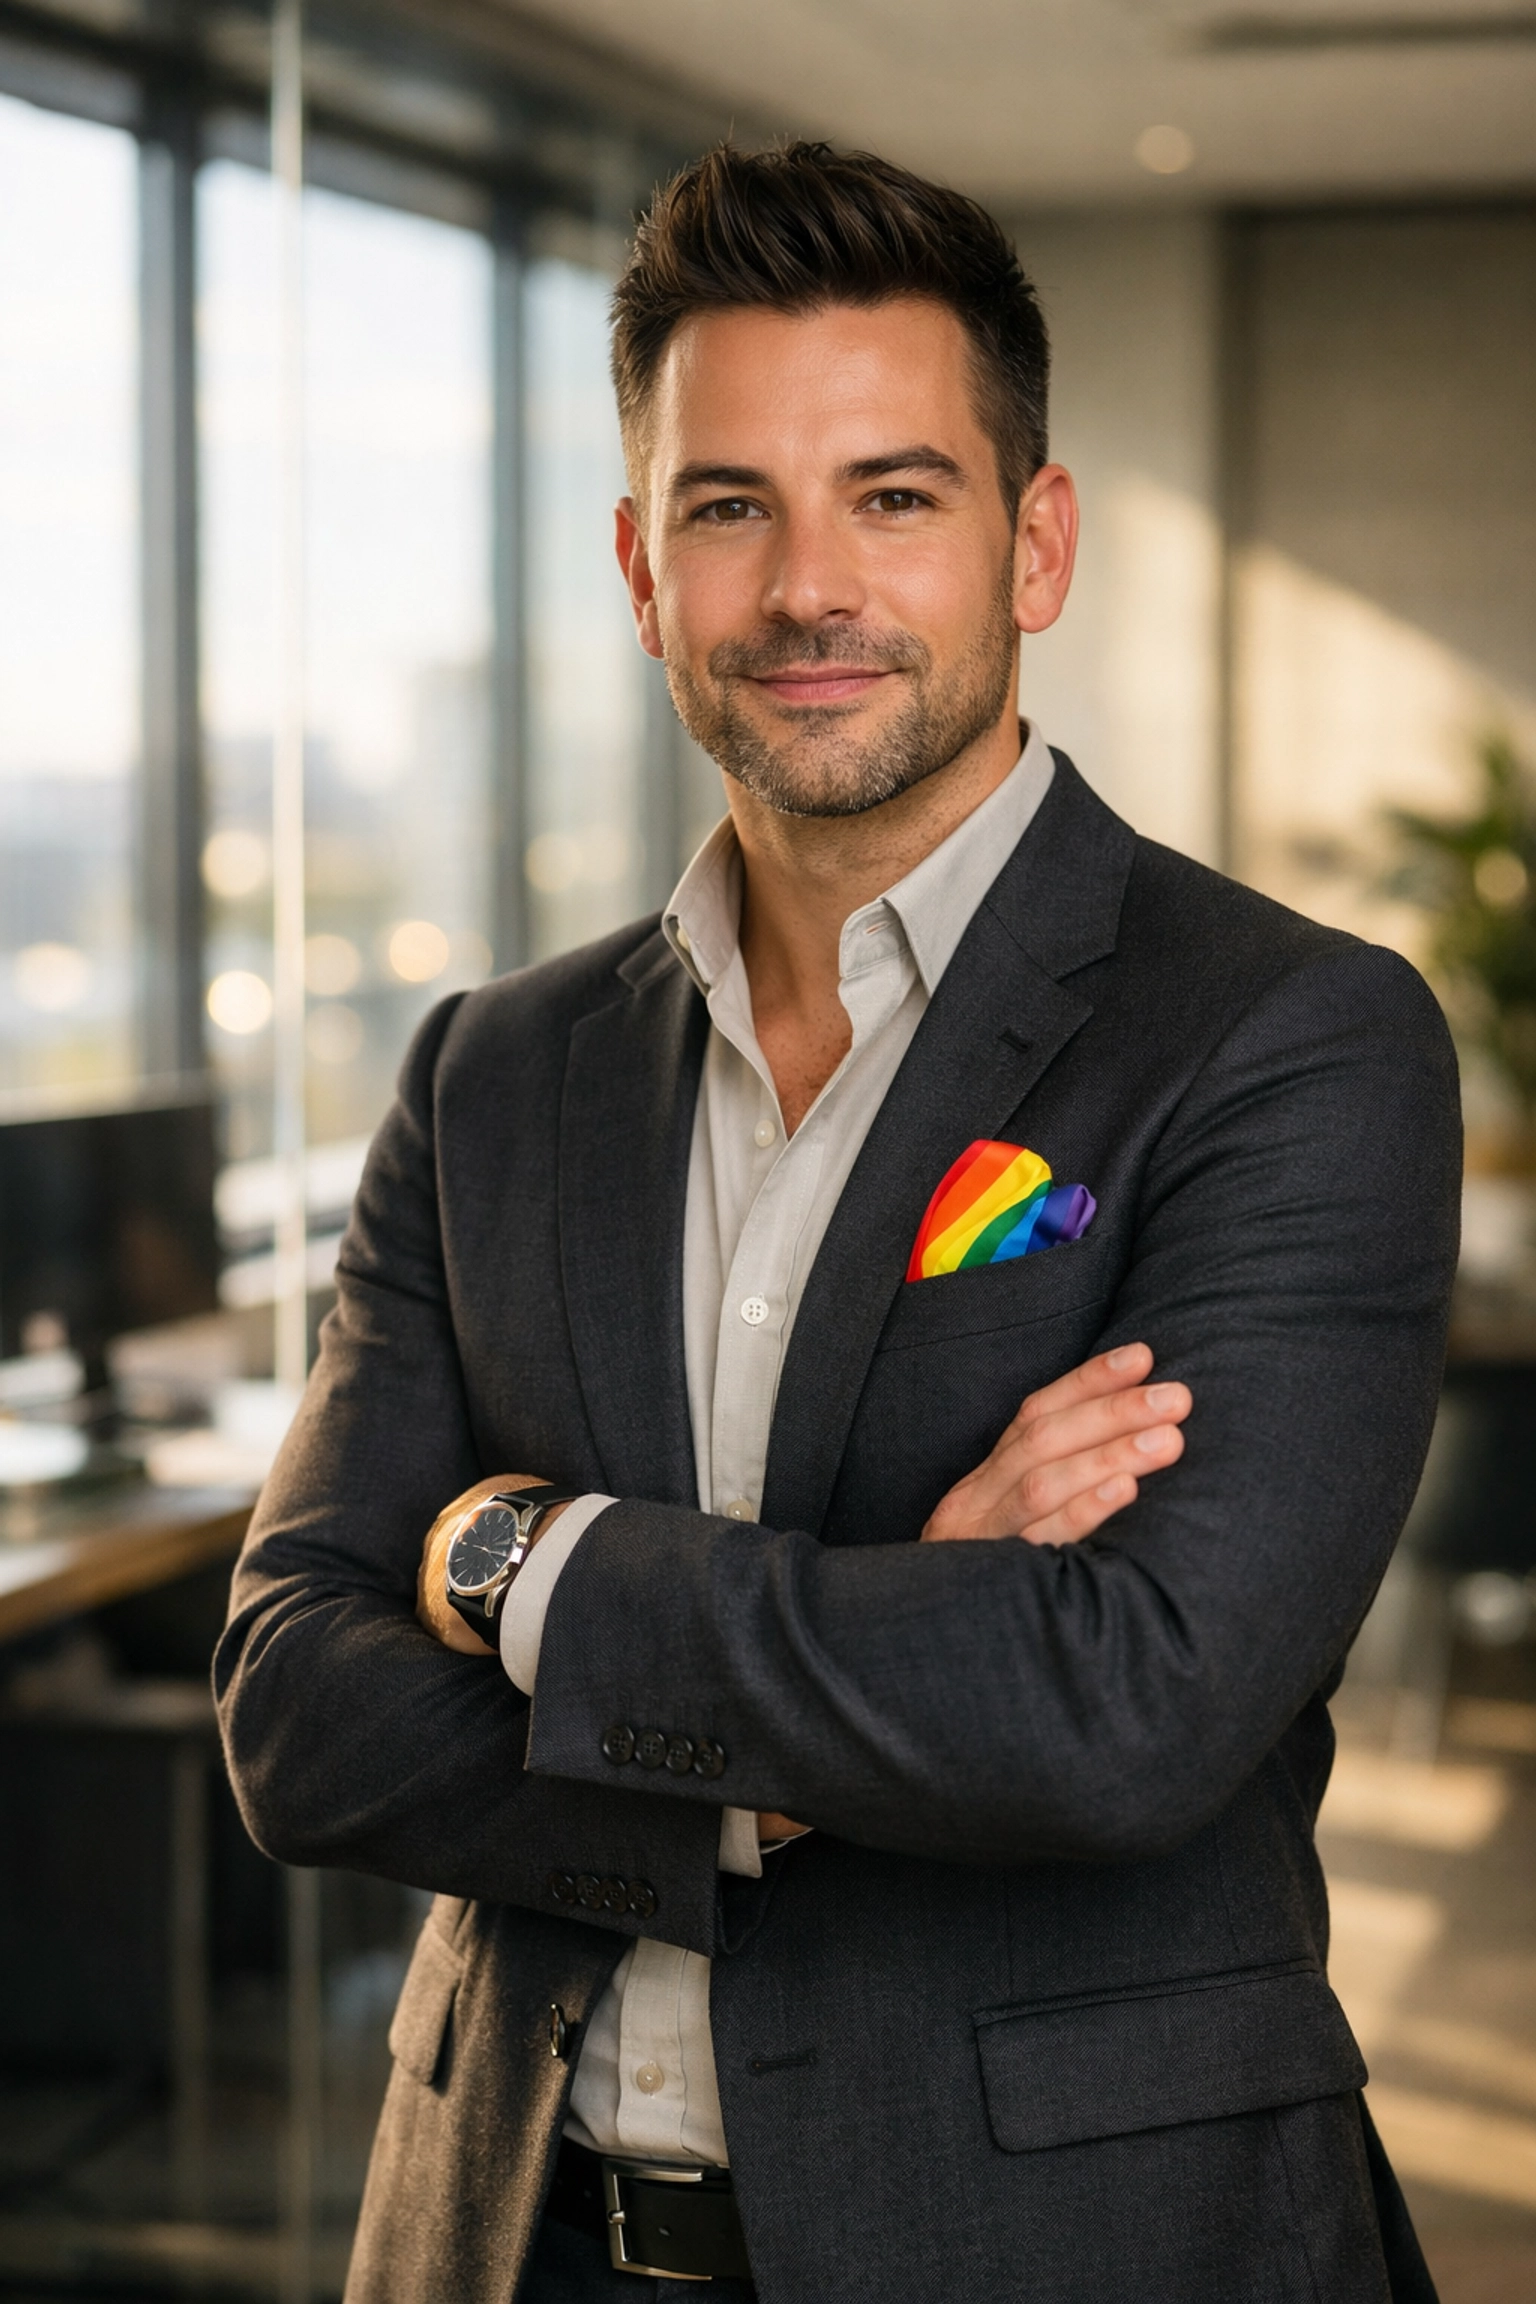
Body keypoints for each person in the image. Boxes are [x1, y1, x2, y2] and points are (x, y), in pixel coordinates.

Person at [215, 142, 1460, 2303]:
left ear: (1032, 541)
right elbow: (296, 1706)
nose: (809, 587)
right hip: (510, 2237)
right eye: (730, 508)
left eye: (894, 496)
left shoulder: (1288, 1042)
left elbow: (1124, 1709)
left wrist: (522, 1565)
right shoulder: (490, 1074)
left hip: (1072, 2245)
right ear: (637, 564)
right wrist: (856, 1684)